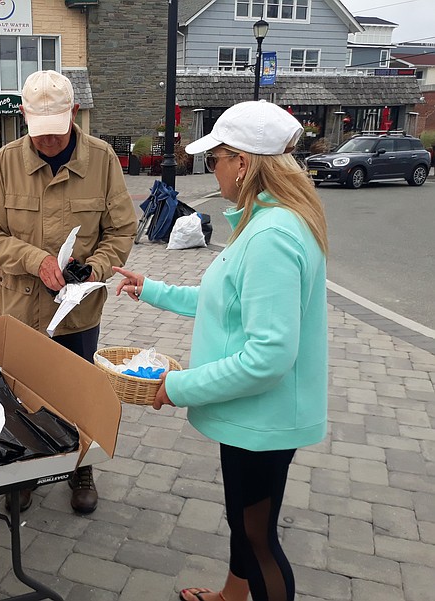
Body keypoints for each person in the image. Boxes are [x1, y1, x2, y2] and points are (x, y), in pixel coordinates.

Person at [114, 100, 328, 601]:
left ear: (244, 163)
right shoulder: (263, 221)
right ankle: (233, 595)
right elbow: (225, 303)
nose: (212, 169)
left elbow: (269, 355)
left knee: (259, 538)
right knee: (245, 522)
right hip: (252, 414)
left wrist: (178, 387)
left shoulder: (272, 235)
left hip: (263, 419)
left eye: (216, 159)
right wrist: (152, 289)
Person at [0, 70, 137, 514]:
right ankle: (26, 469)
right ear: (23, 115)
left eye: (56, 131)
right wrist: (36, 260)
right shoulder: (4, 163)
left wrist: (97, 267)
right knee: (22, 392)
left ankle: (81, 464)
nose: (47, 141)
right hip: (22, 307)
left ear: (75, 113)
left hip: (77, 311)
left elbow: (122, 229)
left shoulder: (102, 160)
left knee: (77, 388)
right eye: (38, 131)